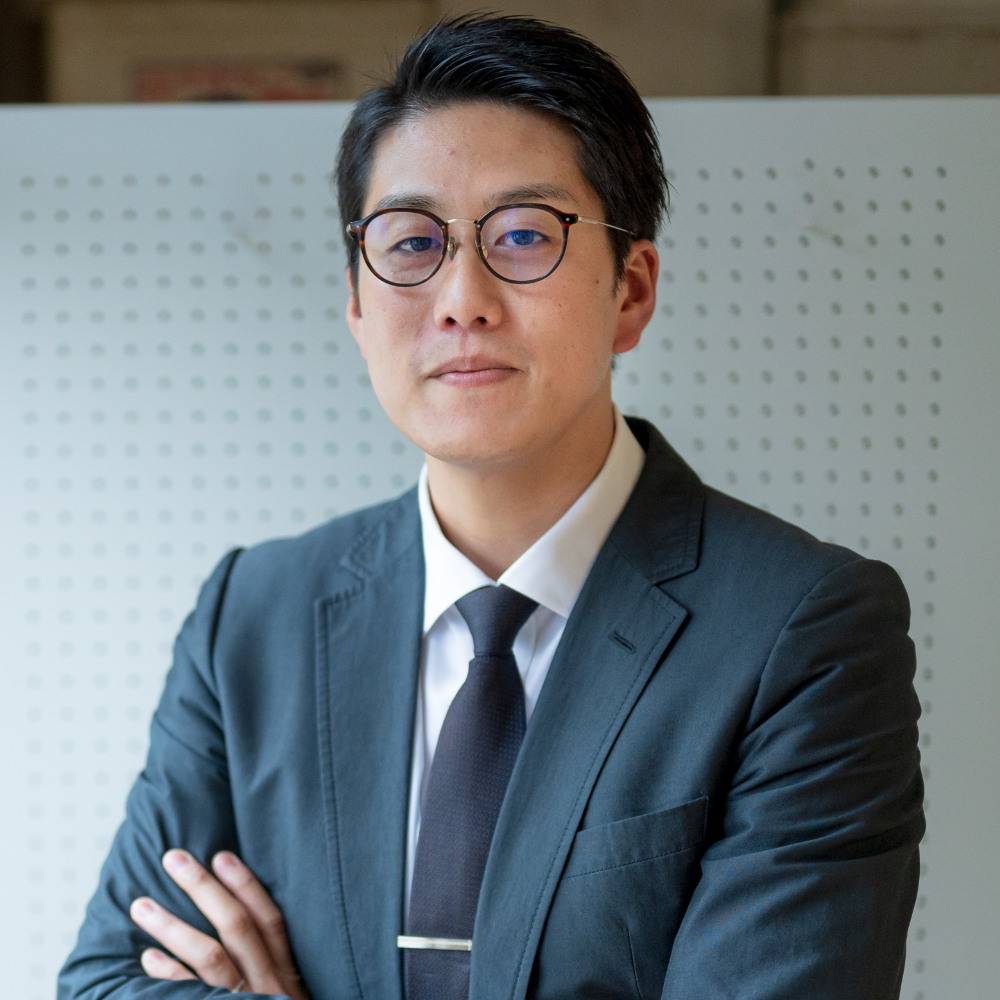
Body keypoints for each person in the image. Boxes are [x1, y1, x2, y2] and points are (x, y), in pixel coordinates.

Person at [58, 14, 924, 1000]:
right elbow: (105, 981)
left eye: (523, 234)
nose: (461, 296)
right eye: (412, 242)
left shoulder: (800, 629)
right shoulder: (251, 613)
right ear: (354, 300)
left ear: (630, 291)